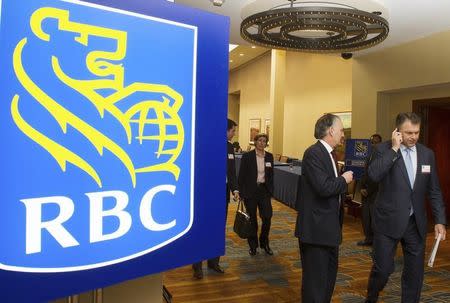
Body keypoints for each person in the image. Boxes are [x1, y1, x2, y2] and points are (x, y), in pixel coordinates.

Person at [365, 112, 447, 303]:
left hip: (415, 222)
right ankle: (372, 296)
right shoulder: (382, 149)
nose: (413, 137)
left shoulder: (427, 154)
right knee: (383, 269)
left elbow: (434, 190)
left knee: (415, 273)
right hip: (388, 222)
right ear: (397, 131)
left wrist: (440, 220)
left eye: (416, 132)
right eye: (408, 132)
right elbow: (373, 176)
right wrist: (394, 149)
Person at [295, 113, 354, 303]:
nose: (343, 134)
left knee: (328, 280)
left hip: (329, 229)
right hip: (316, 230)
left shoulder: (330, 154)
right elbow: (324, 187)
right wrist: (344, 180)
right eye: (341, 130)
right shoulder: (314, 153)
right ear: (331, 130)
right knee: (315, 284)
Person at [192, 119, 239, 279]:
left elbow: (231, 172)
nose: (234, 134)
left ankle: (213, 262)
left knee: (219, 229)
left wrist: (235, 189)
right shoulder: (207, 142)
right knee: (202, 228)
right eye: (233, 130)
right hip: (206, 194)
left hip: (223, 193)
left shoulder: (230, 147)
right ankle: (197, 265)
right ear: (225, 130)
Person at [238, 133, 274, 256]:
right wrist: (241, 192)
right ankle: (253, 246)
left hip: (264, 191)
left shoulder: (269, 157)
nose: (262, 143)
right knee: (252, 220)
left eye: (264, 141)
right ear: (255, 142)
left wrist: (271, 191)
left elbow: (271, 175)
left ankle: (264, 242)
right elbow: (241, 175)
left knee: (267, 217)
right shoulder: (247, 156)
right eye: (260, 140)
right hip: (250, 191)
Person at [357, 134, 382, 246]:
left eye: (376, 142)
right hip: (365, 192)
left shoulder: (382, 157)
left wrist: (369, 190)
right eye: (372, 142)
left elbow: (377, 177)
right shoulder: (369, 155)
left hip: (375, 193)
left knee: (374, 220)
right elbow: (364, 174)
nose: (373, 144)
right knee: (366, 218)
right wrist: (362, 187)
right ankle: (368, 239)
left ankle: (376, 241)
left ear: (380, 143)